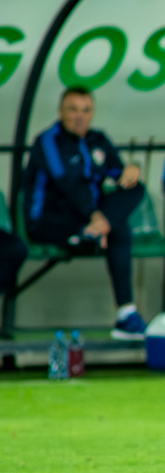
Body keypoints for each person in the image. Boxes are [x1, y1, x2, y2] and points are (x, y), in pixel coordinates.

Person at [24, 86, 148, 339]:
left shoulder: (97, 140)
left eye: (85, 110)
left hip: (89, 220)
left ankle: (126, 314)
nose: (79, 116)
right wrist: (98, 217)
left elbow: (120, 175)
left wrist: (133, 170)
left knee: (131, 201)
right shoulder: (47, 140)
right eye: (73, 109)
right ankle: (93, 232)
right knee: (115, 229)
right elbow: (69, 184)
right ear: (60, 112)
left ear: (92, 114)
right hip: (50, 221)